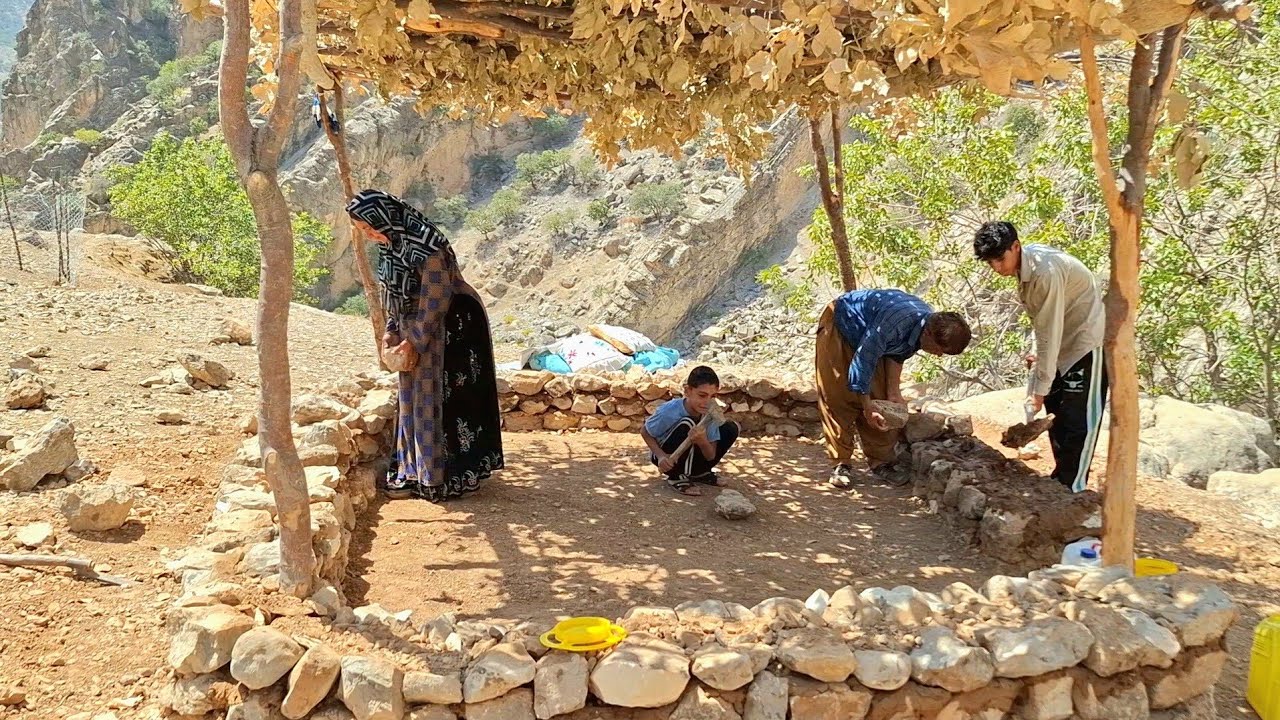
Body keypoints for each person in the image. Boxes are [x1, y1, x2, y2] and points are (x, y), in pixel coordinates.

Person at [346, 189, 504, 501]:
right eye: (363, 230)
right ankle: (412, 471)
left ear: (383, 218)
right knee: (412, 397)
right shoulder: (392, 244)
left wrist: (414, 341)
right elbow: (394, 293)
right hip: (413, 324)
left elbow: (436, 297)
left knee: (434, 398)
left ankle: (438, 477)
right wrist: (391, 333)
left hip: (448, 326)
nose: (369, 235)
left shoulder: (426, 243)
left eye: (369, 227)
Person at [973, 220, 1106, 493]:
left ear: (1016, 247)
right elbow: (1043, 324)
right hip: (1058, 345)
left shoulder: (1044, 272)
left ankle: (1074, 488)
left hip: (1083, 344)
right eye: (990, 263)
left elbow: (1050, 330)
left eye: (1000, 259)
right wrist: (1039, 360)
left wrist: (1038, 389)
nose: (997, 268)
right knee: (1056, 414)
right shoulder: (1025, 270)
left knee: (1077, 420)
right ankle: (1061, 481)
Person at [815, 289, 972, 489]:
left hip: (870, 335)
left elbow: (898, 353)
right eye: (940, 350)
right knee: (838, 395)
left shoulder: (925, 326)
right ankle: (840, 464)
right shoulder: (893, 324)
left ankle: (881, 462)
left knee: (882, 402)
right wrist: (866, 405)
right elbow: (864, 360)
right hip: (843, 323)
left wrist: (893, 393)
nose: (939, 356)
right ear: (928, 335)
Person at [641, 365, 740, 496]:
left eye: (712, 396)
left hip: (692, 455)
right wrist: (660, 456)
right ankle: (676, 476)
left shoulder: (710, 413)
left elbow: (710, 455)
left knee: (730, 427)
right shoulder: (669, 411)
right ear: (688, 391)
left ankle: (700, 473)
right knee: (688, 423)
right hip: (667, 455)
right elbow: (645, 431)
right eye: (702, 395)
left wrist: (703, 441)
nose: (707, 402)